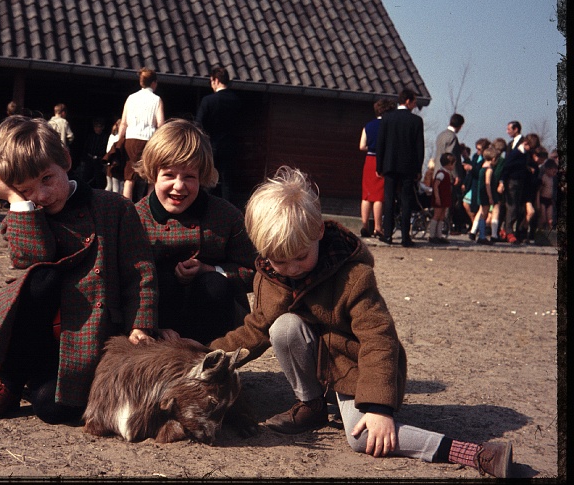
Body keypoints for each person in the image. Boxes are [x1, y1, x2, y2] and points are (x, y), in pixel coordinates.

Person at [206, 165, 514, 478]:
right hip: (319, 369)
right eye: (280, 260)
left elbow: (379, 338)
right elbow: (256, 328)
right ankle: (312, 406)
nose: (292, 268)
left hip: (356, 368)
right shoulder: (270, 276)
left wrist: (378, 407)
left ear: (319, 232)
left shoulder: (353, 276)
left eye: (300, 256)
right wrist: (205, 357)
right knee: (282, 327)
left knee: (364, 437)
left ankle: (474, 453)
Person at [0, 115, 158, 424]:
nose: (42, 196)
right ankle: (10, 380)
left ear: (66, 161)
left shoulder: (115, 208)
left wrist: (141, 325)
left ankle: (38, 381)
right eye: (26, 189)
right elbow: (33, 255)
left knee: (52, 408)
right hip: (39, 334)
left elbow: (140, 272)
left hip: (91, 333)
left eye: (47, 178)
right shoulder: (23, 214)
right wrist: (18, 202)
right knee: (41, 278)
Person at [134, 119, 257, 345]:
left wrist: (210, 270)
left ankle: (209, 353)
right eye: (169, 175)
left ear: (202, 176)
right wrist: (149, 325)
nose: (179, 186)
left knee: (214, 284)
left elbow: (252, 270)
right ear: (153, 174)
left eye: (189, 177)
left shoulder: (227, 216)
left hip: (216, 324)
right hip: (158, 324)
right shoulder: (136, 218)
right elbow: (125, 281)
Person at [375, 88, 424, 247]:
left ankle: (388, 234)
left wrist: (379, 166)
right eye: (414, 101)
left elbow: (381, 143)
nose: (415, 105)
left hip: (389, 165)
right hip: (408, 167)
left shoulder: (387, 118)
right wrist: (418, 169)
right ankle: (405, 237)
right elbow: (419, 147)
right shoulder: (416, 121)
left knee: (389, 199)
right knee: (406, 201)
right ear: (408, 101)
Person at [194, 65, 243, 204]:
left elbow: (198, 124)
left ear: (215, 80)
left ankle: (204, 207)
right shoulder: (236, 101)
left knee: (208, 179)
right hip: (230, 146)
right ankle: (228, 210)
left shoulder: (208, 100)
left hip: (211, 146)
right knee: (227, 183)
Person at [117, 67, 165, 202]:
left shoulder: (131, 98)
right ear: (154, 83)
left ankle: (126, 207)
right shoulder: (157, 100)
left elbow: (123, 123)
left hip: (131, 140)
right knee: (151, 177)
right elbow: (161, 124)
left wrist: (119, 142)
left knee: (129, 177)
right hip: (149, 141)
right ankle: (149, 207)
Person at [358, 98, 395, 239]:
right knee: (379, 196)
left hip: (369, 160)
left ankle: (364, 225)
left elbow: (361, 146)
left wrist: (371, 147)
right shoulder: (388, 126)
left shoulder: (368, 126)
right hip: (382, 160)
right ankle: (378, 227)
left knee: (366, 195)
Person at [498, 132, 539, 244]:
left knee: (516, 208)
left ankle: (507, 230)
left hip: (520, 183)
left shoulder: (524, 154)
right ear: (525, 143)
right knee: (512, 207)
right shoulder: (516, 153)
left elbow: (519, 165)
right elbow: (506, 168)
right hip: (512, 182)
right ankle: (509, 232)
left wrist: (527, 168)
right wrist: (501, 182)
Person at [428, 153, 455, 244]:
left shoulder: (446, 174)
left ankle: (439, 235)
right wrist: (437, 197)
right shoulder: (441, 174)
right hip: (440, 197)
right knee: (437, 215)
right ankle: (432, 235)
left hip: (444, 197)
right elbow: (436, 185)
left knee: (441, 216)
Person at [75, 118, 110, 188]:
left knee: (99, 179)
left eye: (98, 126)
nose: (96, 128)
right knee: (86, 177)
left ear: (102, 127)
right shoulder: (91, 136)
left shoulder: (105, 137)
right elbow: (86, 148)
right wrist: (84, 159)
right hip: (89, 159)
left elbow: (105, 149)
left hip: (99, 161)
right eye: (95, 126)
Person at [473, 146, 497, 244]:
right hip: (485, 195)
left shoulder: (482, 167)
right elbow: (487, 183)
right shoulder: (489, 170)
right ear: (493, 159)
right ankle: (482, 236)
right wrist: (490, 197)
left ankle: (481, 234)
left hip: (481, 193)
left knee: (482, 213)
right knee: (484, 214)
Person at [103, 118, 125, 194]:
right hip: (114, 163)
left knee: (113, 186)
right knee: (114, 187)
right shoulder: (115, 137)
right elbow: (109, 150)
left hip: (112, 163)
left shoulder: (113, 136)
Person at [538, 158, 558, 232]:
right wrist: (537, 201)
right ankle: (539, 231)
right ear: (547, 169)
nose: (554, 174)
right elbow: (539, 190)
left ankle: (550, 233)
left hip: (549, 200)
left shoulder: (553, 179)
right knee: (543, 219)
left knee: (550, 220)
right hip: (543, 199)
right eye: (553, 171)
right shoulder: (544, 177)